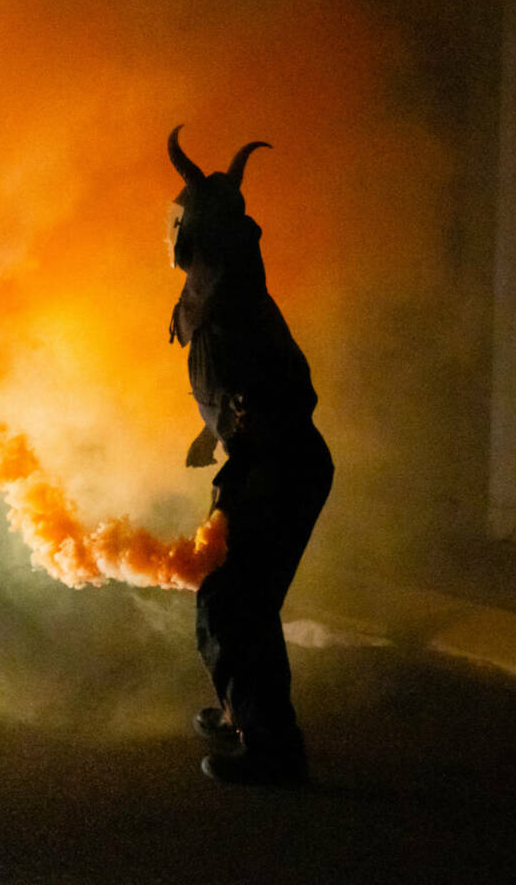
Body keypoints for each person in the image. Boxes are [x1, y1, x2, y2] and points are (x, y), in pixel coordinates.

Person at [167, 125, 333, 786]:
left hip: (276, 466)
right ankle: (244, 710)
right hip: (272, 460)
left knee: (235, 605)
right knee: (235, 601)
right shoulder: (225, 294)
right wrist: (220, 433)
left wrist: (242, 435)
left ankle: (273, 750)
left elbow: (286, 388)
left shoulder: (231, 307)